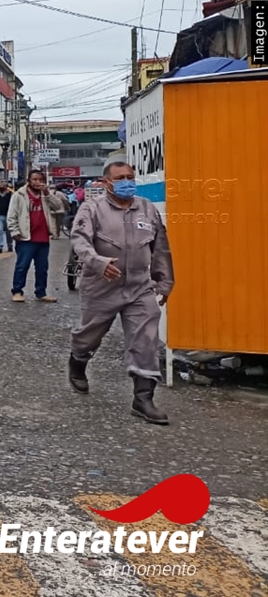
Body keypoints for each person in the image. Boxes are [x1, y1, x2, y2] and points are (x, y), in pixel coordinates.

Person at [69, 161, 175, 425]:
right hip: (101, 286)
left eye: (130, 177)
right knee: (89, 335)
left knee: (146, 339)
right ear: (106, 182)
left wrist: (164, 281)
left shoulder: (147, 208)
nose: (127, 182)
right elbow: (80, 241)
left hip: (139, 286)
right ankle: (78, 362)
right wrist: (98, 262)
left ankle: (143, 399)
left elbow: (160, 247)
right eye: (120, 178)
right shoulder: (92, 209)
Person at [6, 168, 65, 303]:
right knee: (22, 266)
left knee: (42, 268)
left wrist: (47, 193)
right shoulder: (19, 195)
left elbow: (59, 207)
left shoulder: (46, 195)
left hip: (43, 238)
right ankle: (17, 291)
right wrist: (14, 232)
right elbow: (12, 215)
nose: (37, 182)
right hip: (26, 237)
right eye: (34, 179)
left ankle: (41, 292)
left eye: (40, 179)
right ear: (29, 181)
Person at [0, 181, 14, 254]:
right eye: (0, 184)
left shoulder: (11, 194)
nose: (0, 186)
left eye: (2, 185)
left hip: (8, 215)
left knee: (8, 231)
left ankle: (10, 245)